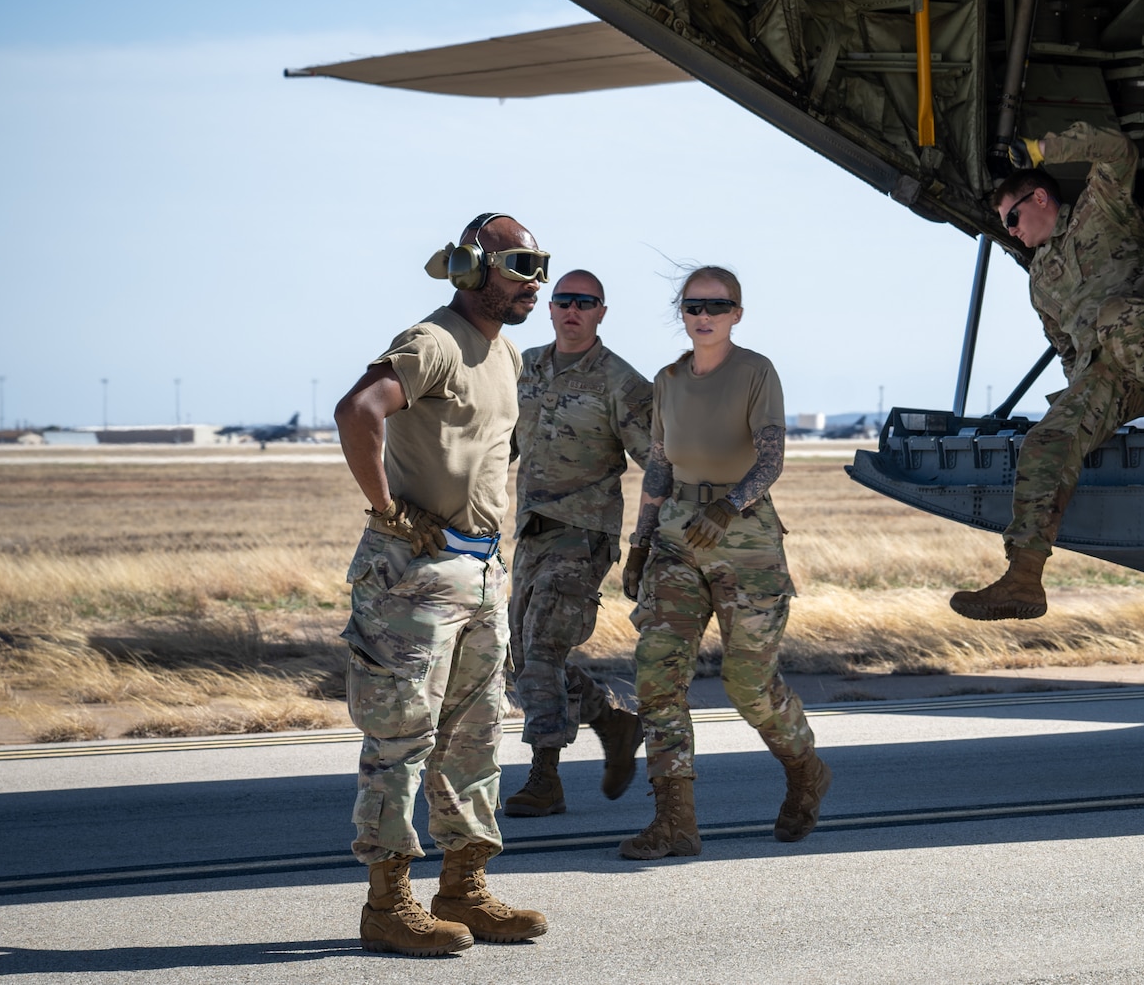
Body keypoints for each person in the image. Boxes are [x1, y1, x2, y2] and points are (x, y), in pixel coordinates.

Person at [333, 212, 549, 957]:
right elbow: (357, 411)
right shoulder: (433, 342)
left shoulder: (505, 354)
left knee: (476, 737)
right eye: (520, 264)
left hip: (481, 571)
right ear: (470, 270)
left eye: (540, 262)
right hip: (414, 577)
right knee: (400, 739)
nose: (537, 280)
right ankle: (388, 904)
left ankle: (464, 888)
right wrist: (387, 511)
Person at [950, 123, 1144, 623]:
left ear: (1041, 197)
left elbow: (1117, 151)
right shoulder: (1040, 280)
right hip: (1110, 375)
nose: (1013, 231)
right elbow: (1067, 351)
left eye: (1015, 217)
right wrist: (1079, 415)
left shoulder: (1099, 209)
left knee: (1116, 319)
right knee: (1048, 441)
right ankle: (1024, 578)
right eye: (1007, 226)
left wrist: (1038, 150)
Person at [616, 266, 828, 860]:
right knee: (657, 676)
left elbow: (771, 460)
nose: (703, 315)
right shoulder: (667, 380)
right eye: (692, 306)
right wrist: (639, 543)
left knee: (746, 684)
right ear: (681, 314)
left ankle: (805, 770)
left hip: (747, 544)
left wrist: (730, 508)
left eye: (716, 305)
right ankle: (675, 821)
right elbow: (659, 465)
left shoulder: (756, 372)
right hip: (677, 540)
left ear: (737, 313)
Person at [501, 269, 654, 818]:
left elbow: (658, 464)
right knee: (522, 654)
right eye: (563, 300)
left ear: (601, 313)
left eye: (585, 302)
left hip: (583, 534)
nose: (572, 309)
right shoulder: (525, 366)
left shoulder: (620, 381)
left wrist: (648, 542)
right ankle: (612, 722)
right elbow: (503, 445)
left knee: (541, 647)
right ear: (549, 308)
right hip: (530, 532)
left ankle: (545, 777)